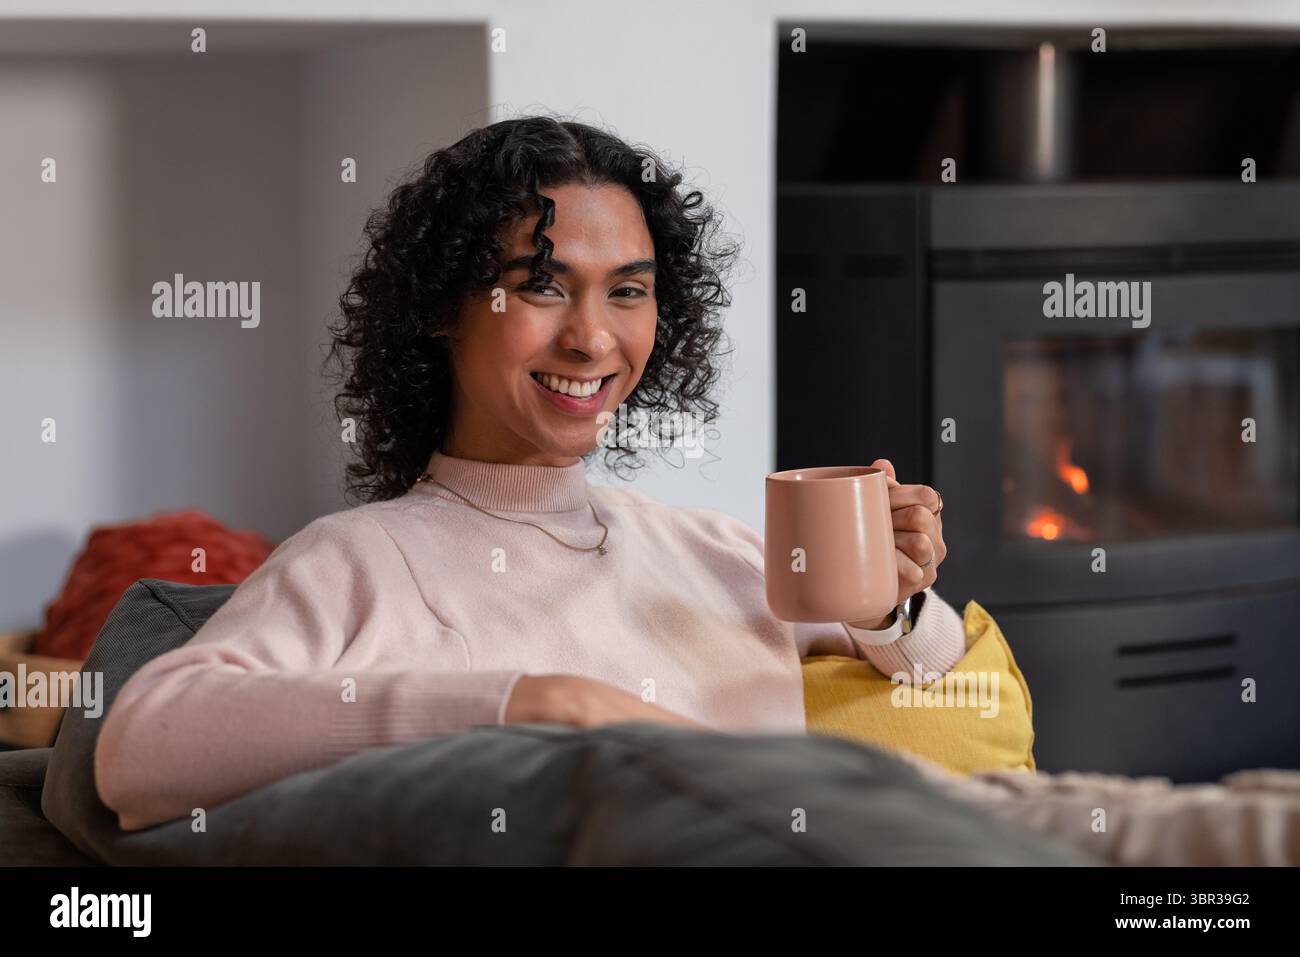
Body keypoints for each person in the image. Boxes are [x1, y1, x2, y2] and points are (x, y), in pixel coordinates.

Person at [93, 115, 964, 832]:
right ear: (443, 304)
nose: (592, 339)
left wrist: (887, 599)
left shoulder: (710, 549)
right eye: (543, 287)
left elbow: (936, 665)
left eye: (627, 290)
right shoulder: (364, 562)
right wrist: (541, 705)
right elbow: (142, 744)